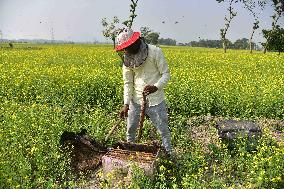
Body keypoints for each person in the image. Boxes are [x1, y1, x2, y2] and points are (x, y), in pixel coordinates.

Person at [116, 28, 172, 154]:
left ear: (135, 42)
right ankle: (129, 154)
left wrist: (156, 87)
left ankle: (170, 156)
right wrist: (126, 105)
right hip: (135, 101)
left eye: (128, 47)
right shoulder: (127, 59)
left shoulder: (155, 52)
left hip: (156, 101)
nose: (126, 50)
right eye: (124, 48)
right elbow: (128, 83)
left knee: (163, 130)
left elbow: (166, 75)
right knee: (130, 130)